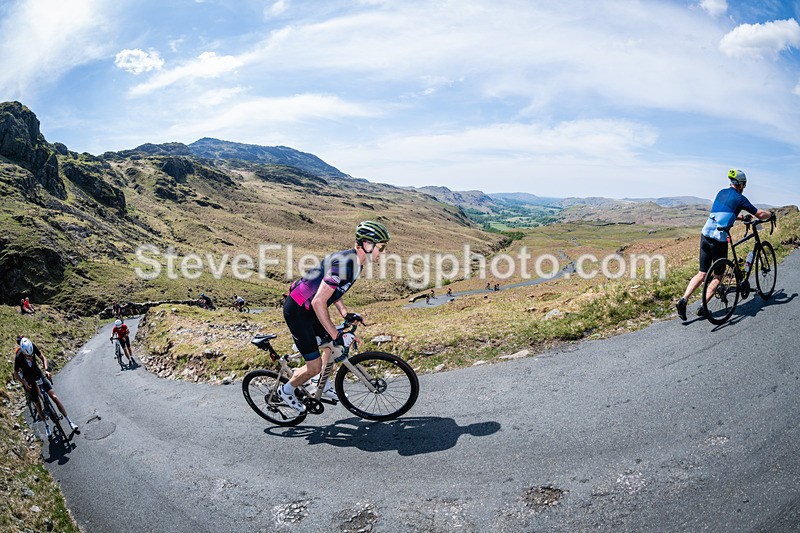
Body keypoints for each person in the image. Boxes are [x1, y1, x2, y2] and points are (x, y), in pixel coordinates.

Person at [278, 220, 390, 412]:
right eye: (381, 247)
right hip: (298, 311)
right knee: (314, 365)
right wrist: (335, 334)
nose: (383, 252)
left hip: (310, 309)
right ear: (367, 244)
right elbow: (318, 301)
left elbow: (333, 291)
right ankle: (286, 390)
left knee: (330, 346)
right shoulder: (345, 264)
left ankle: (319, 383)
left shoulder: (356, 263)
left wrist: (344, 313)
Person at [676, 169, 773, 321]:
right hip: (718, 239)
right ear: (741, 184)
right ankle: (703, 307)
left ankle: (683, 300)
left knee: (702, 273)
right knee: (718, 276)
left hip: (705, 234)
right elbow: (760, 214)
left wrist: (741, 218)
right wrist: (771, 214)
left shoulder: (721, 192)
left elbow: (723, 212)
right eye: (744, 184)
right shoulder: (740, 198)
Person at [13, 337, 79, 438]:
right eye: (28, 356)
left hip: (38, 374)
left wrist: (47, 370)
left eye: (31, 355)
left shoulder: (32, 346)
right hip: (29, 380)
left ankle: (70, 422)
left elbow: (43, 358)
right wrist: (24, 382)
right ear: (23, 352)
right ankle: (46, 425)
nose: (30, 357)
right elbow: (16, 373)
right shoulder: (18, 357)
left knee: (54, 397)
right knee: (38, 405)